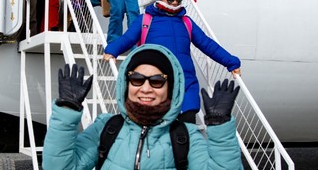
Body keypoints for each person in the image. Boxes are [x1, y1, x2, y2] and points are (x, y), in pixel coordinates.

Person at [42, 44, 243, 169]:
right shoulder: (107, 127)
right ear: (126, 84)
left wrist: (220, 128)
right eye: (137, 79)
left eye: (157, 81)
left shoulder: (185, 136)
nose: (146, 88)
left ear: (170, 88)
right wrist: (67, 111)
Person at [103, 0, 241, 123]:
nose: (175, 2)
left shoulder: (186, 22)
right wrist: (112, 50)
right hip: (158, 82)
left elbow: (207, 44)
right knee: (160, 126)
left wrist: (230, 62)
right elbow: (127, 38)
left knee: (188, 123)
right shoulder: (145, 20)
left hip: (186, 81)